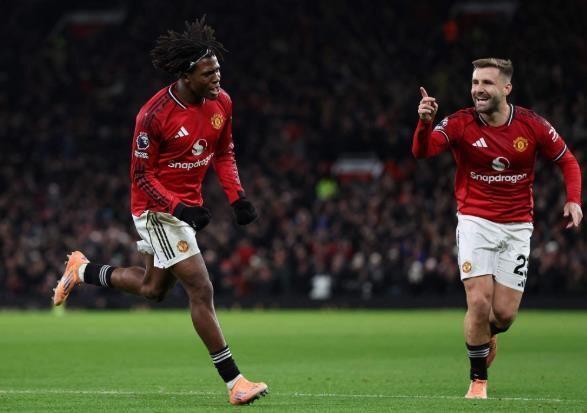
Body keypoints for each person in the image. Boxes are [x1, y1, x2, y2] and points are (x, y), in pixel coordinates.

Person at [52, 18, 268, 406]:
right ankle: (235, 382)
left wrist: (237, 198)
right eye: (208, 73)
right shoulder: (153, 115)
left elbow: (223, 152)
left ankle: (82, 271)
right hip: (156, 209)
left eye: (218, 70)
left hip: (184, 208)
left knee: (153, 289)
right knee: (201, 288)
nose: (217, 78)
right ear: (186, 75)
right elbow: (142, 176)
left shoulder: (222, 102)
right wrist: (179, 208)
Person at [412, 58, 582, 399]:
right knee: (478, 302)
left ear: (506, 88)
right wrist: (424, 123)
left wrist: (574, 200)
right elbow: (423, 151)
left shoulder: (531, 124)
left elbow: (567, 160)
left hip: (517, 227)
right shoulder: (459, 123)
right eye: (475, 83)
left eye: (487, 83)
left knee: (503, 315)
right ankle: (478, 381)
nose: (478, 90)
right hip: (475, 221)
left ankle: (486, 335)